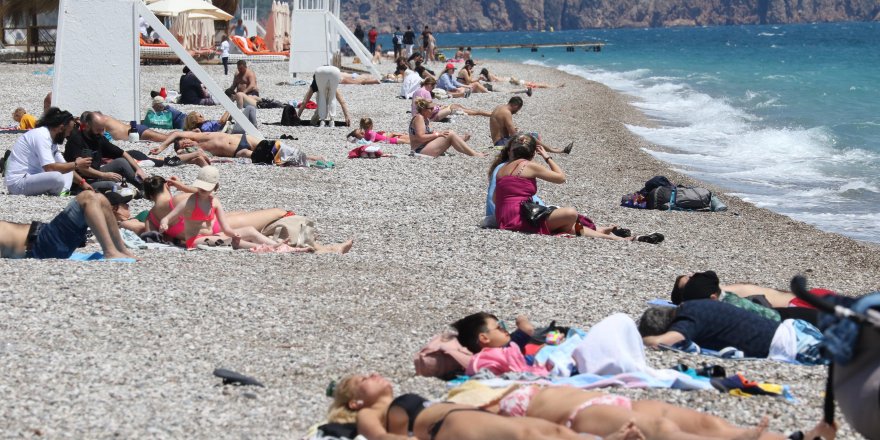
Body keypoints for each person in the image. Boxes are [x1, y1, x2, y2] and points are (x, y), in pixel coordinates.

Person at [491, 134, 662, 241]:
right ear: (532, 153)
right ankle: (603, 232)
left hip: (503, 217)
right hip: (519, 218)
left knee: (568, 227)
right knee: (570, 214)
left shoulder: (501, 169)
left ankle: (610, 237)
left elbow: (495, 199)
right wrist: (547, 157)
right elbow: (561, 178)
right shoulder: (528, 165)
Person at [327, 373, 595, 440]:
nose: (372, 374)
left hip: (467, 416)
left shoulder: (390, 403)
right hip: (446, 425)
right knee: (527, 437)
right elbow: (381, 437)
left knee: (555, 431)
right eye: (362, 380)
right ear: (355, 401)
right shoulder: (367, 412)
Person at [638, 300, 825, 364]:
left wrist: (643, 340)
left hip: (792, 345)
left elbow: (662, 342)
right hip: (795, 328)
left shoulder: (688, 320)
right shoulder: (693, 306)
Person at [159, 166, 280, 250]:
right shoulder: (189, 202)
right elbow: (167, 218)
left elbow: (226, 228)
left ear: (215, 187)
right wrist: (164, 224)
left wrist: (234, 233)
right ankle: (267, 248)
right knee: (228, 241)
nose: (203, 191)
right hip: (194, 240)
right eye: (201, 188)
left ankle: (278, 246)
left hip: (213, 236)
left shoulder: (215, 202)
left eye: (206, 189)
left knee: (250, 230)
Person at [0, 191, 138, 260]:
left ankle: (121, 249)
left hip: (46, 239)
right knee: (87, 197)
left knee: (101, 198)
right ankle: (110, 251)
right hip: (42, 245)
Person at [670, 271, 822, 324]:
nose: (692, 275)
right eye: (688, 280)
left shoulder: (723, 292)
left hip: (805, 299)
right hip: (800, 305)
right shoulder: (715, 294)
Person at [4, 107, 87, 196]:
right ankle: (61, 193)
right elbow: (49, 167)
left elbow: (65, 165)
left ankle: (63, 193)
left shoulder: (52, 139)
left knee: (68, 168)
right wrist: (76, 164)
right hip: (18, 183)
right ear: (61, 128)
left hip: (32, 178)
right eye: (68, 131)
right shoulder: (41, 136)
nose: (69, 134)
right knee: (57, 176)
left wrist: (83, 183)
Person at [63, 111, 148, 193]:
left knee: (121, 162)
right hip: (80, 181)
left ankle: (146, 188)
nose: (101, 133)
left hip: (96, 174)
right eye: (98, 130)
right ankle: (132, 194)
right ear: (88, 126)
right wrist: (104, 175)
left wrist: (138, 169)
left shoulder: (99, 138)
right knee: (112, 186)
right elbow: (82, 169)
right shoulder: (76, 140)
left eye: (103, 129)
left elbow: (123, 153)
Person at [490, 97, 572, 153]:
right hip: (501, 143)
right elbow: (513, 134)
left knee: (533, 135)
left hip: (499, 140)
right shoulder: (507, 113)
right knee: (531, 137)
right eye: (518, 109)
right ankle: (556, 150)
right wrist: (523, 136)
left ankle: (547, 149)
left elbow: (501, 126)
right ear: (515, 106)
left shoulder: (499, 107)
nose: (517, 111)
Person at [409, 99, 485, 158]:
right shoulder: (419, 118)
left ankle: (457, 140)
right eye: (431, 109)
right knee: (449, 133)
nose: (433, 111)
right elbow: (421, 137)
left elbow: (428, 134)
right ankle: (474, 154)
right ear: (424, 110)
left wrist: (439, 134)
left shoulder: (425, 118)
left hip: (424, 147)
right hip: (419, 151)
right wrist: (438, 134)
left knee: (447, 133)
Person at [411, 77, 492, 121]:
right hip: (428, 118)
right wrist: (440, 107)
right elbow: (430, 110)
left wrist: (439, 106)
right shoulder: (426, 92)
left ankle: (478, 112)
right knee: (453, 107)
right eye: (432, 86)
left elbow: (424, 106)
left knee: (455, 106)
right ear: (428, 84)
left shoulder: (416, 92)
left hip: (416, 116)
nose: (432, 89)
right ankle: (481, 113)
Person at [151, 131, 261, 159]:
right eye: (184, 146)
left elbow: (176, 133)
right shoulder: (199, 151)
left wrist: (161, 147)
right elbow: (179, 154)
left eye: (184, 141)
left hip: (242, 138)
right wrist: (183, 150)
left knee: (268, 145)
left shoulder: (199, 136)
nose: (186, 144)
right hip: (237, 151)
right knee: (257, 155)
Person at [183, 107, 258, 135]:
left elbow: (222, 125)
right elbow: (222, 121)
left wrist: (231, 115)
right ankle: (255, 131)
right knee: (250, 108)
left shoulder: (204, 126)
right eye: (199, 116)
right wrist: (229, 108)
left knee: (248, 110)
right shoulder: (204, 127)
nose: (202, 116)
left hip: (231, 129)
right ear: (196, 121)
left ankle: (254, 131)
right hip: (233, 131)